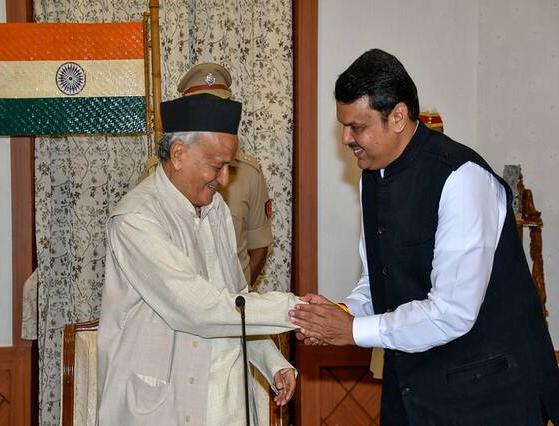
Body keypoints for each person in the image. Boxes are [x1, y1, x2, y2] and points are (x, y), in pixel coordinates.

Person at [289, 48, 559, 425]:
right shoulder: (372, 177)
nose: (346, 138)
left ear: (398, 117)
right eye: (343, 126)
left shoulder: (462, 179)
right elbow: (379, 279)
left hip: (487, 395)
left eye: (358, 126)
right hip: (413, 392)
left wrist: (351, 330)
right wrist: (342, 313)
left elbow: (451, 312)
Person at [97, 92, 301, 425]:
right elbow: (196, 308)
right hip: (164, 404)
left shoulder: (215, 207)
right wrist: (297, 310)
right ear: (179, 154)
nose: (224, 179)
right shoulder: (136, 218)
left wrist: (271, 360)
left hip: (226, 403)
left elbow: (235, 298)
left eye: (229, 167)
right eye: (217, 166)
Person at [178, 62, 274, 288]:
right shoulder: (164, 173)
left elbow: (258, 248)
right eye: (201, 109)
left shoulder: (248, 174)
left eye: (219, 108)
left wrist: (235, 299)